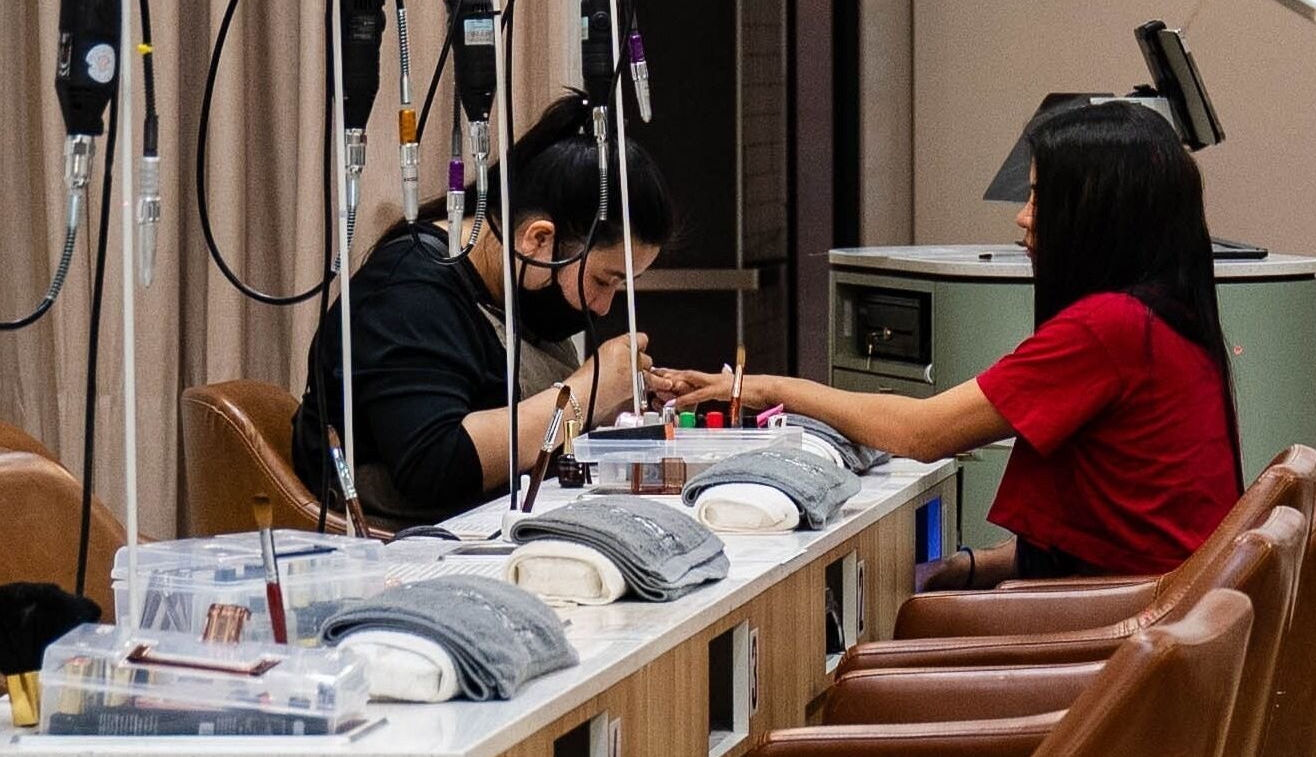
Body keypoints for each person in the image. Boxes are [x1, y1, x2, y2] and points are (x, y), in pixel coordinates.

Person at [704, 99, 1241, 579]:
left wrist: (767, 387)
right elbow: (1102, 537)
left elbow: (920, 434)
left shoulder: (1109, 328)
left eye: (1038, 198)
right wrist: (964, 568)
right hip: (1144, 614)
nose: (1022, 218)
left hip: (1115, 625)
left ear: (1098, 215)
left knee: (868, 670)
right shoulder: (1168, 323)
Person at [294, 96, 674, 528]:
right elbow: (435, 466)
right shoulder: (406, 295)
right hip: (398, 552)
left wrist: (610, 403)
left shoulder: (510, 288)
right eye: (603, 280)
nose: (604, 306)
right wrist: (586, 394)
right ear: (538, 240)